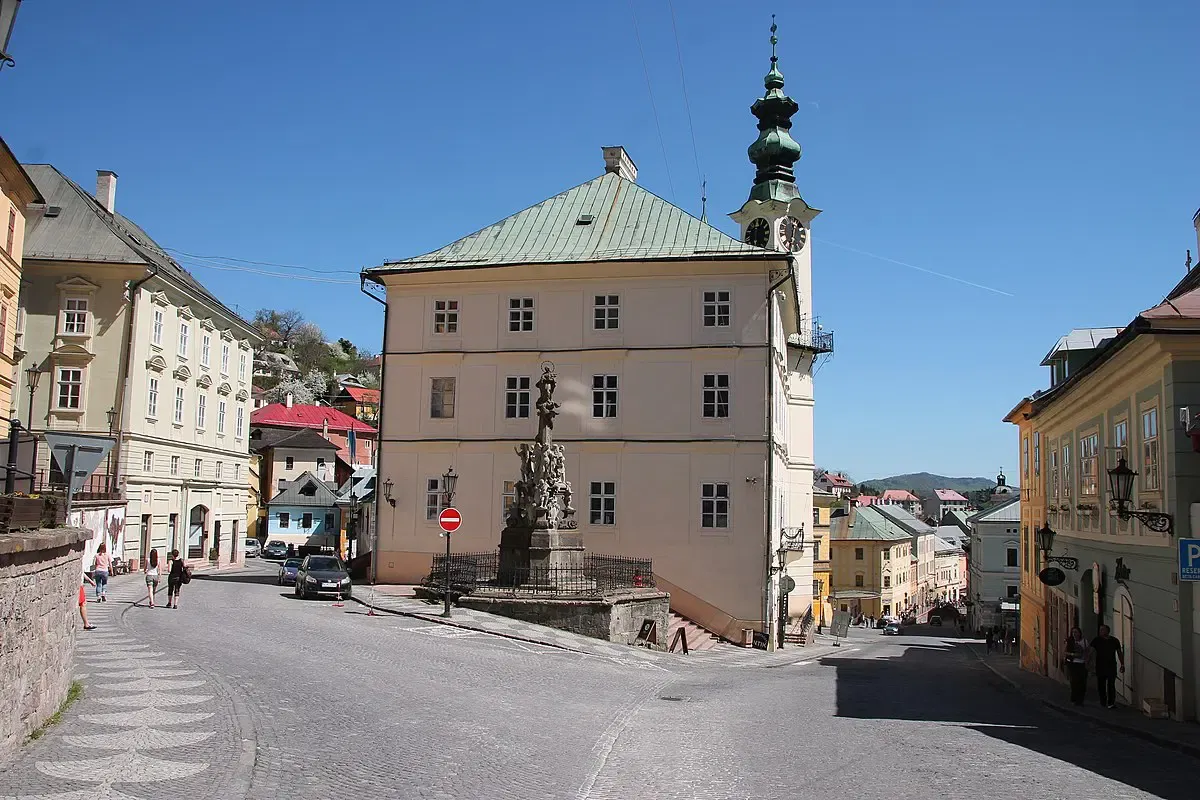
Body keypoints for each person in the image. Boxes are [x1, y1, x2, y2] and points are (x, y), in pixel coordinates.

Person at [1089, 624, 1125, 708]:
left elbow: (1119, 653)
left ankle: (1111, 702)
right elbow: (1090, 651)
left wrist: (1122, 664)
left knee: (1111, 684)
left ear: (1107, 631)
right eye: (1100, 630)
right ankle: (1103, 701)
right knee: (1101, 685)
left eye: (1102, 630)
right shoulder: (1096, 640)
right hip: (1100, 666)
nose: (1100, 631)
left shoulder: (1114, 641)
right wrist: (1087, 662)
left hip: (1111, 665)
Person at [1064, 626, 1089, 705]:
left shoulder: (1084, 641)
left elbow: (1088, 652)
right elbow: (1065, 652)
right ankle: (1074, 698)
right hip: (1073, 664)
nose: (1074, 634)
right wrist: (1073, 654)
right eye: (1073, 632)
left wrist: (1086, 659)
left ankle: (1080, 700)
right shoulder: (1070, 641)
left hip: (1082, 664)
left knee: (1082, 683)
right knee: (1074, 682)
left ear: (1079, 633)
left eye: (1076, 632)